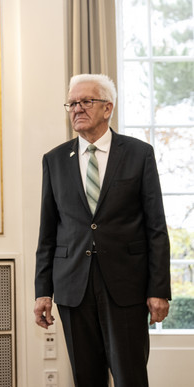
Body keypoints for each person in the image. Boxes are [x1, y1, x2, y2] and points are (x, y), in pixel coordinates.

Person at [33, 73, 171, 387]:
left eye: (86, 102)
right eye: (72, 103)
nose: (77, 109)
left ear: (107, 108)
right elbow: (48, 232)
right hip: (72, 286)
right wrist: (43, 291)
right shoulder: (54, 160)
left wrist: (159, 288)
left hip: (126, 286)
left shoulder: (139, 154)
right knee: (86, 378)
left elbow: (156, 227)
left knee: (130, 376)